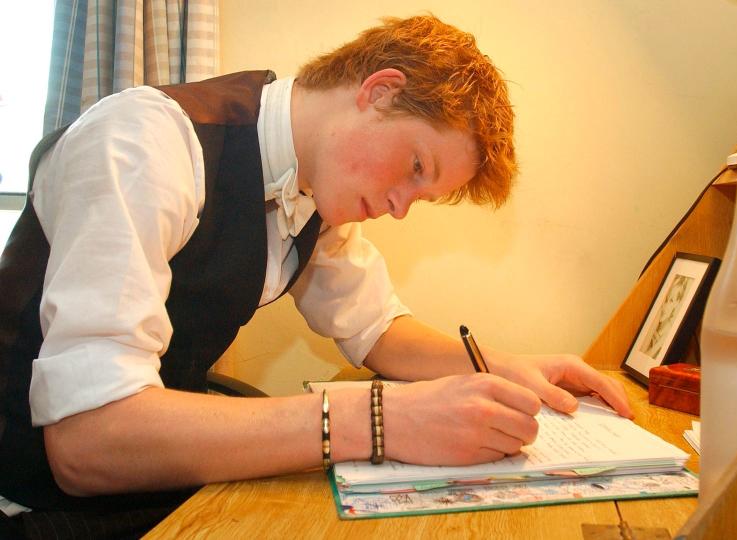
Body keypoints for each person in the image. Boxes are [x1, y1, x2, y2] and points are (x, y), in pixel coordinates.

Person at [0, 14, 633, 537]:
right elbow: (88, 440)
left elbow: (379, 331)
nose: (400, 207)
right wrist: (382, 417)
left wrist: (501, 366)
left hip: (151, 464)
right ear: (379, 91)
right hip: (30, 489)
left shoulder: (313, 191)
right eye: (416, 166)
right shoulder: (146, 142)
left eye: (424, 194)